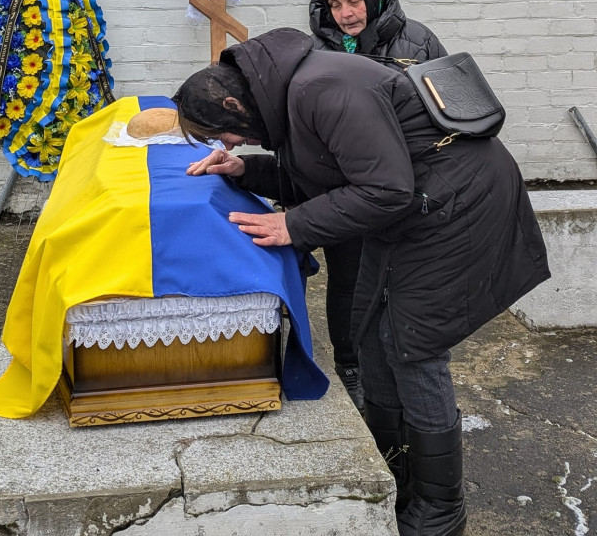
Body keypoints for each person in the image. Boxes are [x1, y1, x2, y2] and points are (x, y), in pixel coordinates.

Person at [173, 28, 549, 536]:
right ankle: (394, 464)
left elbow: (383, 188)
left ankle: (441, 506)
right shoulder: (292, 92)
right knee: (370, 328)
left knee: (412, 343)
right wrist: (247, 171)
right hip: (414, 204)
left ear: (236, 104)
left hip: (456, 203)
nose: (228, 143)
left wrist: (294, 225)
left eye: (225, 135)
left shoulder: (323, 88)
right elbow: (327, 176)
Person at [308, 0, 447, 412]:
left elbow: (448, 103)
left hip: (407, 180)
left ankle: (398, 363)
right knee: (346, 276)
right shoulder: (319, 48)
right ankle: (350, 364)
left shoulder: (418, 40)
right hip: (346, 183)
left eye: (354, 0)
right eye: (335, 4)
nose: (346, 13)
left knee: (402, 276)